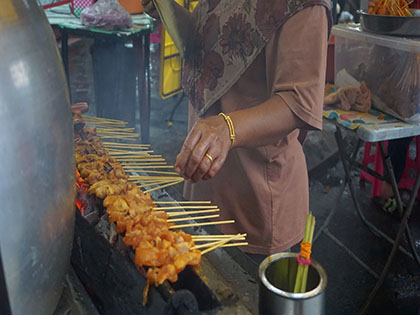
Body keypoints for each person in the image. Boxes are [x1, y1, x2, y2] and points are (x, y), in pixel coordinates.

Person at [142, 0, 332, 263]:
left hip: (255, 199)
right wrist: (166, 8)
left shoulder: (305, 5)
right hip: (203, 182)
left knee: (244, 298)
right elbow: (207, 44)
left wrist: (227, 127)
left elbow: (298, 102)